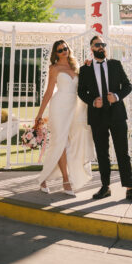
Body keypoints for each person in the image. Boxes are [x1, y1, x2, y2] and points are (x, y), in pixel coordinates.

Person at [78, 35, 132, 204]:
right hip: (97, 116)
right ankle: (105, 187)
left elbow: (128, 85)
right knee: (102, 154)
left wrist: (117, 96)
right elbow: (81, 92)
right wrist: (93, 102)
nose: (101, 47)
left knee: (123, 152)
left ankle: (130, 189)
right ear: (92, 48)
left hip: (117, 115)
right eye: (97, 45)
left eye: (103, 44)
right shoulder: (85, 69)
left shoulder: (115, 64)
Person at [35, 39, 94, 195]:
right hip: (59, 106)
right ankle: (65, 180)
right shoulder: (54, 68)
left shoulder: (76, 66)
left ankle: (45, 178)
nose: (63, 51)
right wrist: (40, 114)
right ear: (56, 53)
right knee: (59, 142)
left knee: (73, 142)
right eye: (60, 50)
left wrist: (88, 67)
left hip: (75, 108)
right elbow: (48, 92)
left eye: (65, 48)